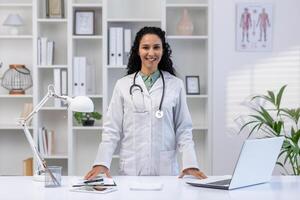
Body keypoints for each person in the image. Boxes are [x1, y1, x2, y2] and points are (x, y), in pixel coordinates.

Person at [84, 27, 207, 180]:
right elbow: (111, 129)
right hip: (131, 169)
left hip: (166, 171)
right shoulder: (123, 85)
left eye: (156, 47)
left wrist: (190, 164)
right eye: (145, 47)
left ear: (163, 51)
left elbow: (184, 129)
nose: (151, 53)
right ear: (138, 51)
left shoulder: (176, 85)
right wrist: (101, 162)